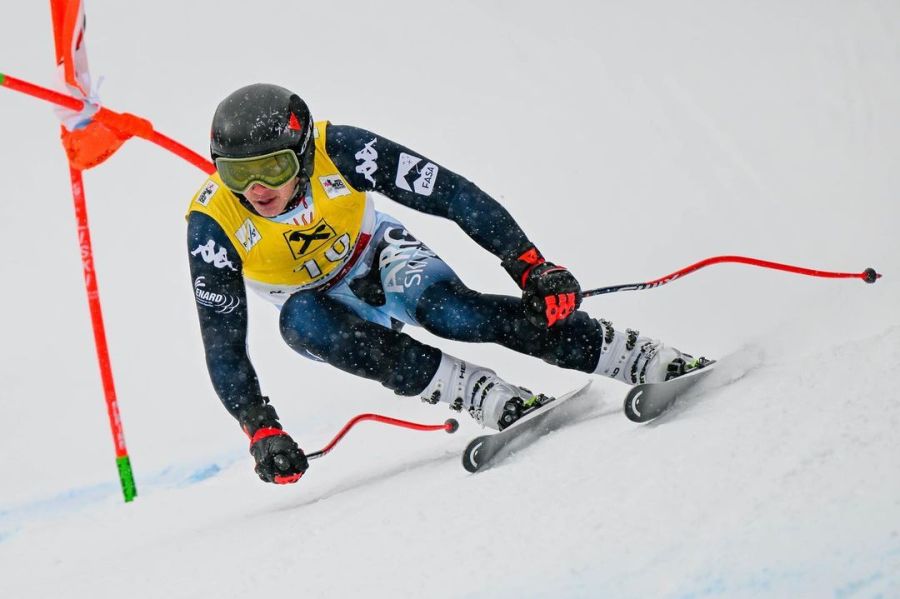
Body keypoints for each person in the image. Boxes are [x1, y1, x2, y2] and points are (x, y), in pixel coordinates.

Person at [187, 83, 703, 485]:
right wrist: (259, 425)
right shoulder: (213, 223)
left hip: (377, 256)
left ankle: (634, 355)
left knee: (453, 314)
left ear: (300, 153)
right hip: (317, 304)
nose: (257, 189)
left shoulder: (339, 149)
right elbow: (222, 339)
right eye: (237, 174)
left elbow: (451, 193)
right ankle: (483, 396)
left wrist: (529, 264)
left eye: (273, 168)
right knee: (300, 323)